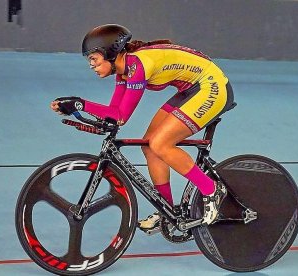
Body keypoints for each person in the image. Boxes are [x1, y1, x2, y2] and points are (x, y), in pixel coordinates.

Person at [50, 24, 234, 234]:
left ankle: (211, 189)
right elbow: (114, 113)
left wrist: (81, 103)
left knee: (160, 143)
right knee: (149, 147)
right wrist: (76, 108)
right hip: (191, 89)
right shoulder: (123, 71)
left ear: (110, 53)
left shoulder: (137, 66)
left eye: (93, 58)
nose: (91, 65)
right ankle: (167, 211)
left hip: (212, 86)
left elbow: (121, 116)